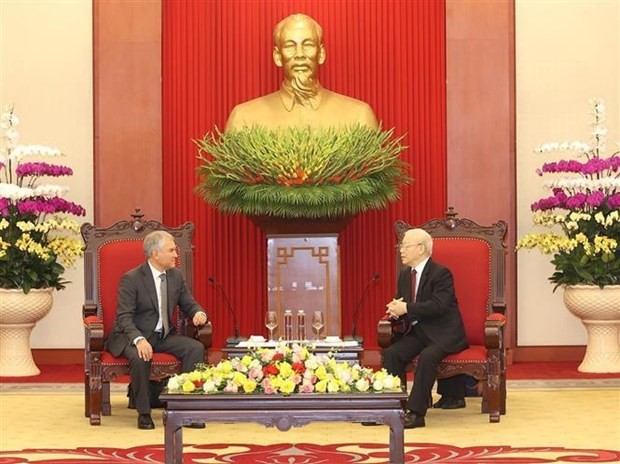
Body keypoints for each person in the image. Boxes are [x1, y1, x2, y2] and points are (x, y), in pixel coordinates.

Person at [105, 230, 209, 430]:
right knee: (140, 356)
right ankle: (144, 413)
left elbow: (189, 304)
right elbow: (124, 317)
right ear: (155, 254)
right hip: (130, 335)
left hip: (162, 335)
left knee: (195, 348)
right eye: (171, 250)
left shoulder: (176, 276)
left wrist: (199, 314)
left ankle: (186, 410)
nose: (175, 255)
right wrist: (138, 339)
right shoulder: (132, 278)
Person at [224, 13, 379, 131]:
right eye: (290, 45)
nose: (299, 54)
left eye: (308, 44)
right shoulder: (244, 119)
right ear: (277, 56)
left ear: (321, 54)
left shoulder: (359, 117)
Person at [383, 228, 468, 429]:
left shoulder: (441, 273)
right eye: (401, 246)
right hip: (419, 332)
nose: (401, 250)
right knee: (391, 354)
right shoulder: (405, 275)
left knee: (428, 357)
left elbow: (439, 306)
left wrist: (407, 308)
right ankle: (392, 408)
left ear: (420, 249)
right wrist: (396, 310)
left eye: (405, 246)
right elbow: (404, 303)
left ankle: (416, 413)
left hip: (444, 333)